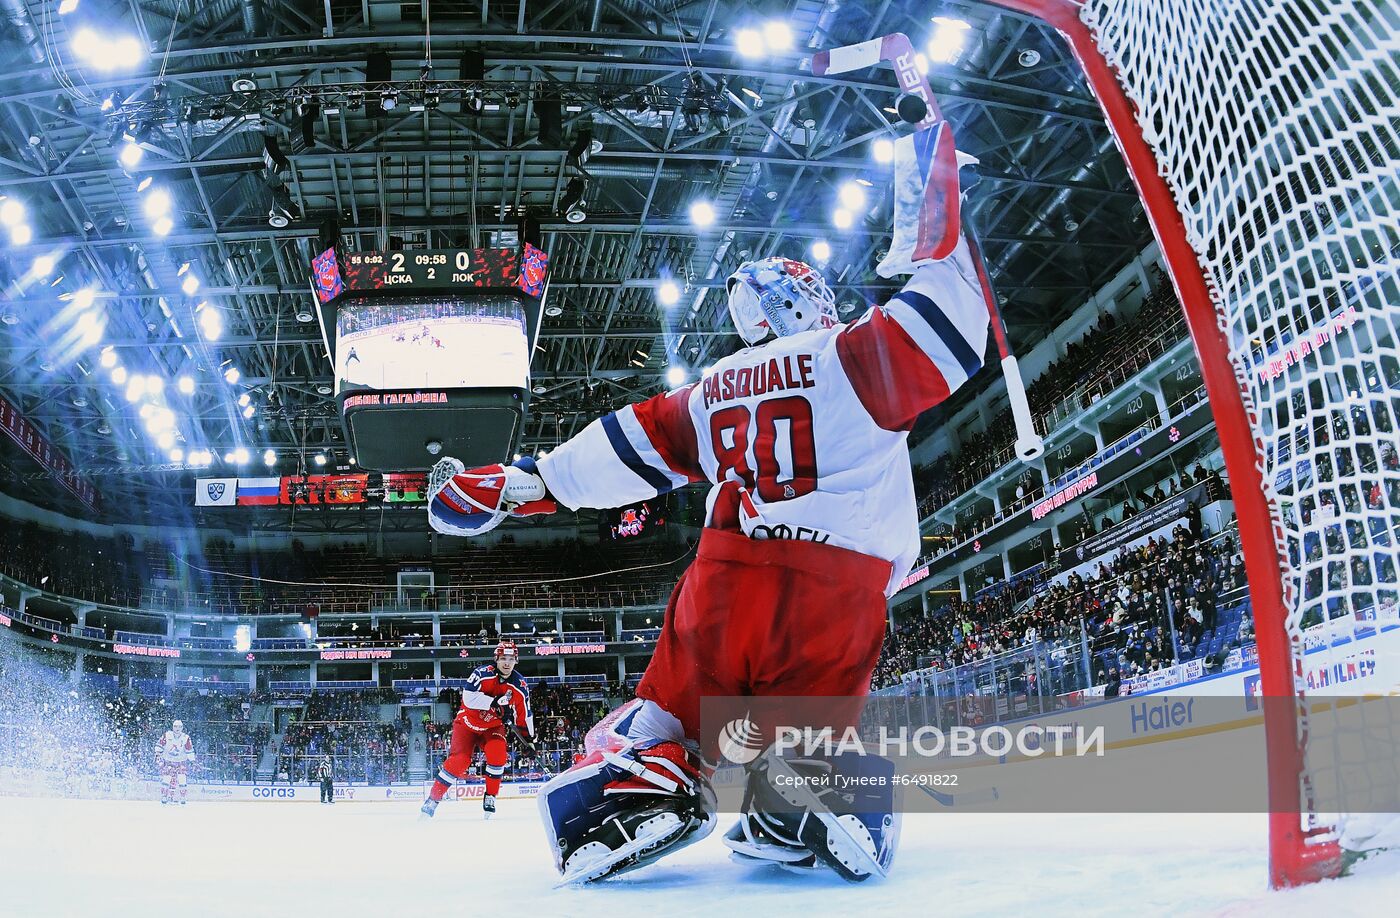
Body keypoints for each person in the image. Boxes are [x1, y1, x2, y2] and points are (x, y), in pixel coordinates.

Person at [426, 142, 989, 883]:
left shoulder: (714, 386)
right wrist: (935, 209)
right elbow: (950, 328)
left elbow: (629, 448)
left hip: (722, 587)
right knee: (812, 738)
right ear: (814, 304)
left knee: (665, 716)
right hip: (837, 593)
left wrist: (528, 484)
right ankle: (801, 787)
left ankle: (640, 777)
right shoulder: (850, 356)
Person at [419, 641, 533, 820]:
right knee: (459, 761)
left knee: (498, 754)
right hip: (467, 725)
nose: (507, 663)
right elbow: (469, 698)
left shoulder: (520, 685)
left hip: (492, 727)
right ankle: (433, 800)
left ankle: (490, 797)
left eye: (511, 659)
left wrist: (529, 741)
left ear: (516, 661)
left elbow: (525, 715)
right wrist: (494, 702)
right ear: (496, 659)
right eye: (503, 658)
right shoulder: (482, 674)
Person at [155, 720, 194, 806]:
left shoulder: (185, 738)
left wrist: (192, 760)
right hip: (169, 761)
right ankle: (164, 796)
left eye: (179, 727)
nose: (177, 728)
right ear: (173, 727)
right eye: (175, 726)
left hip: (181, 761)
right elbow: (159, 745)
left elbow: (189, 749)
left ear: (182, 728)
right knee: (166, 778)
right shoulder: (167, 735)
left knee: (182, 778)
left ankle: (183, 797)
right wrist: (158, 754)